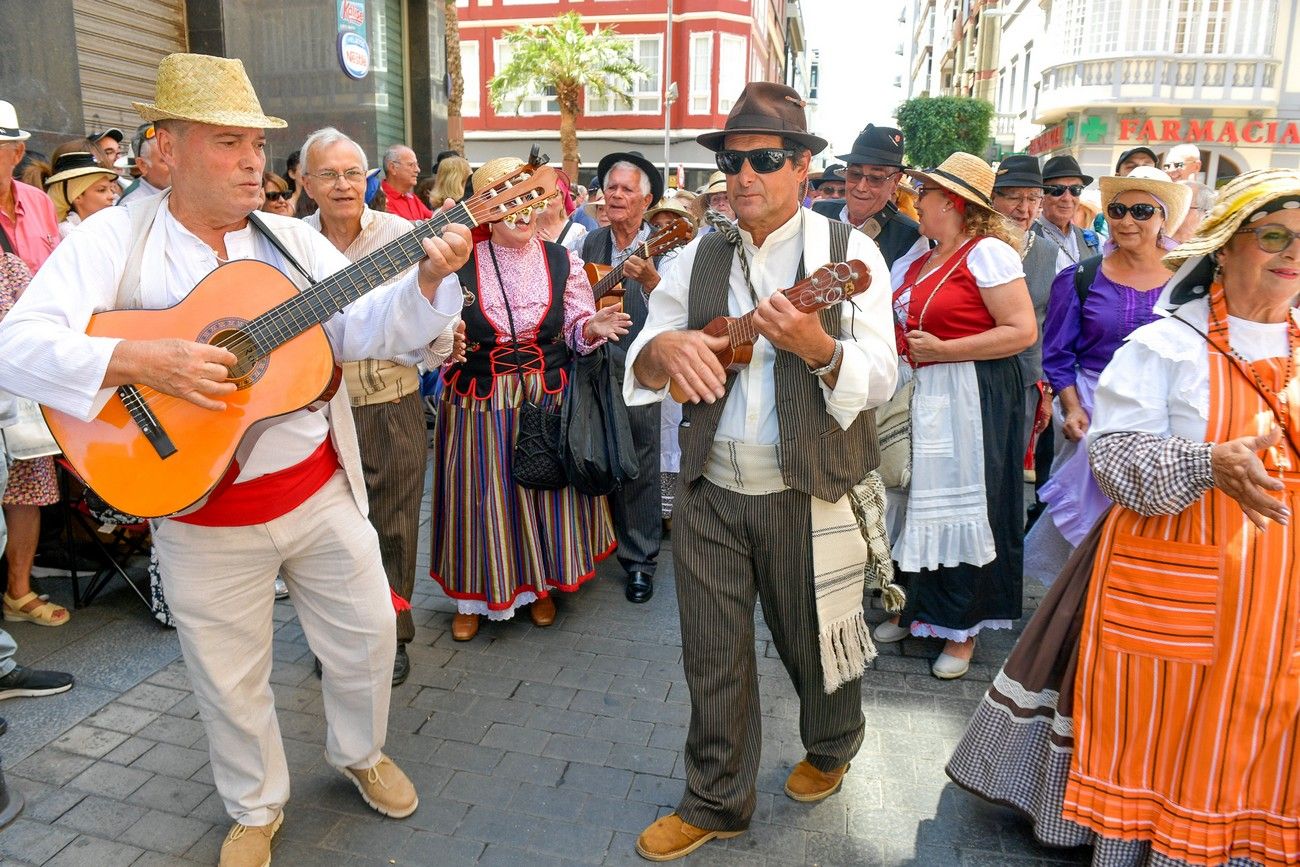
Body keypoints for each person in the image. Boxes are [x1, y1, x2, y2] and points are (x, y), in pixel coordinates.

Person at [0, 54, 471, 866]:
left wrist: (427, 280)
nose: (254, 160)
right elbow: (16, 346)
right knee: (229, 676)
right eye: (228, 142)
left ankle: (359, 751)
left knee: (366, 634)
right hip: (198, 509)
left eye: (257, 143)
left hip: (317, 490)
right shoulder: (113, 240)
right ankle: (255, 805)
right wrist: (144, 363)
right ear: (168, 148)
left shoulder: (288, 242)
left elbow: (364, 326)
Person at [948, 167, 1300, 867]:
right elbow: (1116, 461)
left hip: (1276, 597)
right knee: (1162, 719)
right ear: (1225, 248)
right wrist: (1207, 464)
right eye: (1275, 236)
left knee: (1260, 717)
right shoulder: (1167, 345)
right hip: (1174, 573)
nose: (1292, 252)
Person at [625, 82, 897, 861]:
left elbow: (880, 374)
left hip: (802, 486)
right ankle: (716, 799)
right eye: (733, 160)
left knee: (814, 641)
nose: (744, 175)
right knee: (712, 652)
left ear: (804, 166)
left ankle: (834, 741)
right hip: (709, 487)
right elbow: (646, 356)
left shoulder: (850, 254)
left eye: (765, 159)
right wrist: (663, 350)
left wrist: (819, 347)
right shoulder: (698, 253)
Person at [430, 157, 629, 641]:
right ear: (486, 211)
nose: (522, 214)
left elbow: (577, 325)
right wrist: (442, 342)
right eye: (509, 203)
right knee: (478, 498)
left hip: (545, 394)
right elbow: (429, 332)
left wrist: (591, 327)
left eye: (529, 202)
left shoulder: (563, 260)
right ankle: (471, 595)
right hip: (478, 400)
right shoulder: (457, 261)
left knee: (542, 491)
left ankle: (540, 587)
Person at [301, 127, 461, 685]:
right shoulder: (289, 242)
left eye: (352, 172)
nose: (343, 185)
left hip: (391, 405)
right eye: (328, 174)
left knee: (392, 525)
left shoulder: (402, 234)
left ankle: (390, 636)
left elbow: (440, 320)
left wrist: (430, 343)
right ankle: (332, 640)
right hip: (316, 412)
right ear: (304, 182)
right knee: (323, 532)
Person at [873, 152, 1035, 680]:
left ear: (953, 203)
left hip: (973, 396)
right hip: (923, 395)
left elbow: (1020, 331)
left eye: (926, 193)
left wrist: (946, 349)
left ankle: (961, 631)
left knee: (968, 506)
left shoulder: (987, 253)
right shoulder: (919, 259)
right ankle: (916, 609)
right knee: (916, 496)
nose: (917, 200)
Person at [1024, 167, 1190, 580]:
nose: (1127, 220)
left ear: (1162, 217)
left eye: (1141, 211)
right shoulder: (1081, 276)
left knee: (1147, 521)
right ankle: (1076, 614)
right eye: (1117, 209)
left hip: (1164, 416)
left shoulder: (1189, 280)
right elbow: (1058, 352)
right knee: (1086, 525)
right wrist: (1071, 407)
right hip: (1092, 412)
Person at [581, 150, 666, 605]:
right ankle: (599, 542)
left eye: (625, 189)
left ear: (646, 199)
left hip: (641, 366)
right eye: (610, 187)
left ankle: (640, 560)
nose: (614, 195)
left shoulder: (668, 244)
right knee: (595, 451)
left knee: (640, 458)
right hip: (595, 364)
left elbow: (682, 311)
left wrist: (651, 281)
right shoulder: (592, 243)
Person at [0, 103, 65, 628]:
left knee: (29, 478)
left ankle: (17, 591)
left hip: (34, 361)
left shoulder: (38, 205)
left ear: (16, 153)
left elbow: (60, 273)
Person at [989, 155, 1061, 492]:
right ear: (992, 198)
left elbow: (1051, 324)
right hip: (975, 376)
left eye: (1033, 198)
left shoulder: (1048, 253)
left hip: (1024, 383)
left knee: (1010, 479)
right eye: (1014, 196)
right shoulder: (974, 246)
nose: (1024, 208)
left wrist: (1046, 391)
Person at [812, 124, 927, 277]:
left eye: (875, 178)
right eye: (855, 174)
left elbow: (897, 299)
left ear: (894, 182)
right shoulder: (820, 212)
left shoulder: (910, 238)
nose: (861, 187)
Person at [1034, 155, 1101, 272]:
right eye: (1057, 190)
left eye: (1075, 189)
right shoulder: (1023, 238)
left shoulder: (1094, 241)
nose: (1067, 198)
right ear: (1042, 194)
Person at [45, 151, 120, 237]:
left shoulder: (105, 227)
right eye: (101, 190)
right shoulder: (68, 233)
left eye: (111, 189)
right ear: (77, 196)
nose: (112, 196)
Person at [118, 123, 172, 205]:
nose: (175, 165)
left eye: (176, 157)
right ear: (143, 165)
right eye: (164, 160)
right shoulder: (133, 206)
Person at [380, 144, 431, 222]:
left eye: (417, 165)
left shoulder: (413, 198)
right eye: (411, 165)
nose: (418, 170)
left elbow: (434, 219)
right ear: (392, 167)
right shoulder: (379, 200)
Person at [1173, 179, 1214, 243]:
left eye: (1181, 206)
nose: (1171, 211)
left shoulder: (1210, 248)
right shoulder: (1156, 242)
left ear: (1205, 213)